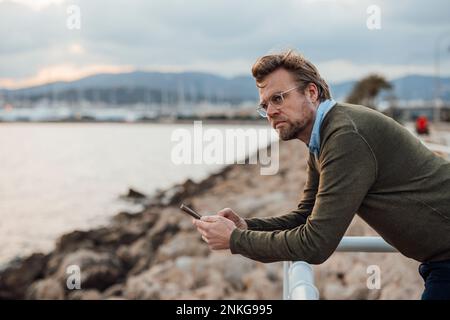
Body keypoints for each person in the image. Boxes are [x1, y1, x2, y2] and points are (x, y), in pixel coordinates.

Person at [192, 49, 450, 300]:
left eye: (279, 98)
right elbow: (305, 215)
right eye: (265, 105)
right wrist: (247, 226)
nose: (270, 111)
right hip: (439, 261)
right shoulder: (323, 138)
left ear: (312, 92)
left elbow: (316, 243)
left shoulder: (345, 137)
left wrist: (236, 240)